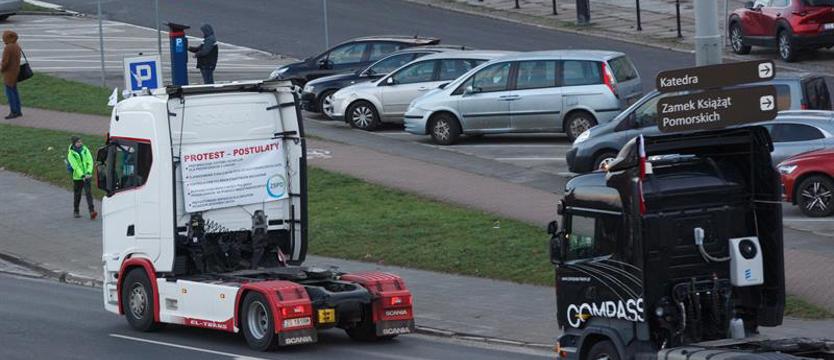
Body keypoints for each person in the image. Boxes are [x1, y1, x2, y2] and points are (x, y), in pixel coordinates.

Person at [67, 136, 97, 220]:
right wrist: (81, 175)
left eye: (80, 141)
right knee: (77, 194)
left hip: (87, 176)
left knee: (88, 194)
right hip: (78, 178)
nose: (80, 143)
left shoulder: (85, 150)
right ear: (74, 143)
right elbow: (75, 166)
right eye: (78, 142)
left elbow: (90, 161)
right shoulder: (71, 154)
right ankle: (76, 211)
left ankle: (92, 211)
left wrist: (88, 172)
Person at [1, 30, 22, 119]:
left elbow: (5, 62)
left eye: (4, 38)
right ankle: (18, 111)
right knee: (15, 92)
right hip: (15, 71)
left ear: (7, 38)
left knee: (10, 93)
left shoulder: (8, 48)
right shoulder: (16, 46)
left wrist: (1, 69)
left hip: (9, 73)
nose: (3, 40)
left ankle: (14, 112)